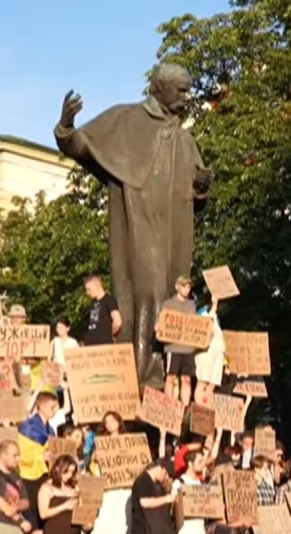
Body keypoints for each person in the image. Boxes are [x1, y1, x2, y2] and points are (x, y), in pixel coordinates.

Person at [55, 65, 210, 380]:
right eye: (180, 90)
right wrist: (66, 127)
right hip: (138, 226)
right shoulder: (126, 120)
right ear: (159, 88)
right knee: (147, 292)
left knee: (170, 291)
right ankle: (144, 375)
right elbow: (81, 144)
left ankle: (170, 375)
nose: (186, 97)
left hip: (172, 232)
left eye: (187, 90)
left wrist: (202, 186)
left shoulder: (185, 139)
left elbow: (197, 198)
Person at [37, 455, 85, 534]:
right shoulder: (47, 488)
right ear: (58, 469)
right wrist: (65, 506)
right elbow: (43, 513)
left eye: (72, 472)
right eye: (66, 471)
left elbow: (81, 513)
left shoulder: (75, 490)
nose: (69, 475)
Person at [162, 276, 199, 405]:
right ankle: (169, 406)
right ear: (177, 287)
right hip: (173, 347)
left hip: (188, 348)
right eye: (184, 286)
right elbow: (161, 323)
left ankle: (185, 407)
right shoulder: (168, 304)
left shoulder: (191, 305)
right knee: (171, 377)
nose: (186, 289)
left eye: (188, 286)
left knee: (187, 379)